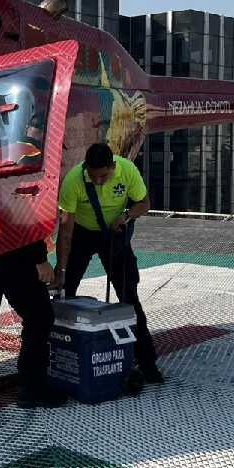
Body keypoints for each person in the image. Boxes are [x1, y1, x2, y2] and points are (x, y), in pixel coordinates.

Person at [53, 142, 163, 383]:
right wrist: (60, 269)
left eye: (104, 176)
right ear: (86, 170)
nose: (99, 181)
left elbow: (143, 203)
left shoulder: (127, 170)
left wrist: (125, 216)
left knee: (129, 298)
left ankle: (146, 361)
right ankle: (57, 355)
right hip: (82, 233)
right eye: (94, 177)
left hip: (113, 234)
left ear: (113, 166)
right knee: (65, 293)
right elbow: (66, 230)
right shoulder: (73, 181)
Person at [0, 238, 67, 408]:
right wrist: (40, 258)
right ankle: (32, 386)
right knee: (39, 316)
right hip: (16, 254)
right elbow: (24, 218)